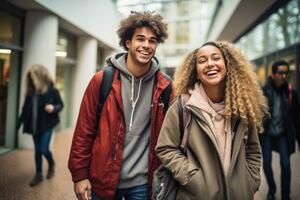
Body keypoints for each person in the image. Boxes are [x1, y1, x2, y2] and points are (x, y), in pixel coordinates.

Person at [68, 11, 173, 200]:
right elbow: (84, 131)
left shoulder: (164, 86)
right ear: (128, 42)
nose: (146, 45)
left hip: (142, 183)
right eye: (140, 39)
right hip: (102, 178)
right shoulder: (103, 80)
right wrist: (80, 175)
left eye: (152, 41)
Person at [155, 41, 269, 200]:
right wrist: (191, 178)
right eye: (202, 61)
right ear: (195, 71)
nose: (210, 64)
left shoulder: (241, 106)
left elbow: (253, 150)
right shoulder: (183, 105)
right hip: (197, 195)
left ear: (228, 64)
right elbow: (165, 147)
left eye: (216, 58)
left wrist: (250, 181)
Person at [17, 64, 63, 187]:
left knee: (44, 149)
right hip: (34, 126)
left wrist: (53, 108)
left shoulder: (52, 90)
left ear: (40, 76)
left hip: (47, 125)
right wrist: (19, 123)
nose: (31, 80)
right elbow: (25, 108)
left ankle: (51, 164)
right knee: (37, 151)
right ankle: (38, 174)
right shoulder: (31, 91)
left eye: (33, 77)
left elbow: (60, 105)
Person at [260, 60, 300, 200]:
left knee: (286, 164)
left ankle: (285, 194)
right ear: (273, 74)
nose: (283, 76)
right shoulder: (264, 91)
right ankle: (272, 190)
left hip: (283, 134)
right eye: (280, 72)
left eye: (286, 73)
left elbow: (296, 117)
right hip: (267, 135)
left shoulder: (291, 93)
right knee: (266, 164)